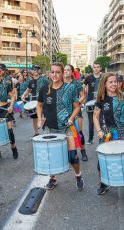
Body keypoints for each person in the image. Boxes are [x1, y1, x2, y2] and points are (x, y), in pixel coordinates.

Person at [36, 62, 84, 190]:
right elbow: (39, 105)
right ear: (49, 73)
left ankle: (78, 175)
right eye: (52, 72)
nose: (55, 74)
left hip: (66, 127)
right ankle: (53, 179)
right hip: (49, 127)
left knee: (72, 156)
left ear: (62, 73)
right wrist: (40, 119)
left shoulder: (70, 88)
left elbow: (77, 107)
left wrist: (71, 118)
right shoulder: (44, 88)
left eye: (58, 72)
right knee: (51, 156)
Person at [64, 64, 88, 161]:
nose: (66, 71)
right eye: (64, 70)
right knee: (66, 134)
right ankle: (70, 153)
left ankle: (83, 151)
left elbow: (83, 96)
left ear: (72, 72)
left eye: (68, 70)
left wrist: (76, 103)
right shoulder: (60, 83)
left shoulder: (76, 83)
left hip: (76, 110)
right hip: (64, 112)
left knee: (79, 132)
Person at [21, 65, 50, 137]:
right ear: (32, 71)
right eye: (34, 69)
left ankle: (45, 132)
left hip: (43, 101)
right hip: (34, 101)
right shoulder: (31, 81)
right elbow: (28, 90)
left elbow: (50, 88)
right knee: (34, 118)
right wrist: (23, 95)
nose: (36, 71)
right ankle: (36, 133)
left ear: (39, 71)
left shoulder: (44, 79)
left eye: (37, 69)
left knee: (44, 116)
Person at [83, 61, 103, 144]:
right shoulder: (89, 78)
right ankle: (90, 139)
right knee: (91, 122)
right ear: (92, 68)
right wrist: (84, 96)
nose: (96, 69)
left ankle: (101, 139)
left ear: (100, 68)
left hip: (101, 102)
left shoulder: (103, 77)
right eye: (94, 67)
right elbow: (83, 87)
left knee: (101, 121)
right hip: (90, 103)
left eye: (97, 67)